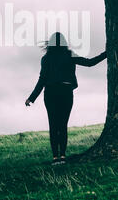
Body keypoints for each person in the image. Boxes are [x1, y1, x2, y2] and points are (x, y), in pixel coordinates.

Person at [25, 32, 107, 165]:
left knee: (53, 125)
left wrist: (31, 98)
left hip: (50, 93)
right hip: (65, 92)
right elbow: (90, 63)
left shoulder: (46, 58)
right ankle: (62, 156)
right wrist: (106, 53)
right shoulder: (69, 55)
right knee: (62, 125)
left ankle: (55, 157)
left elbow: (42, 80)